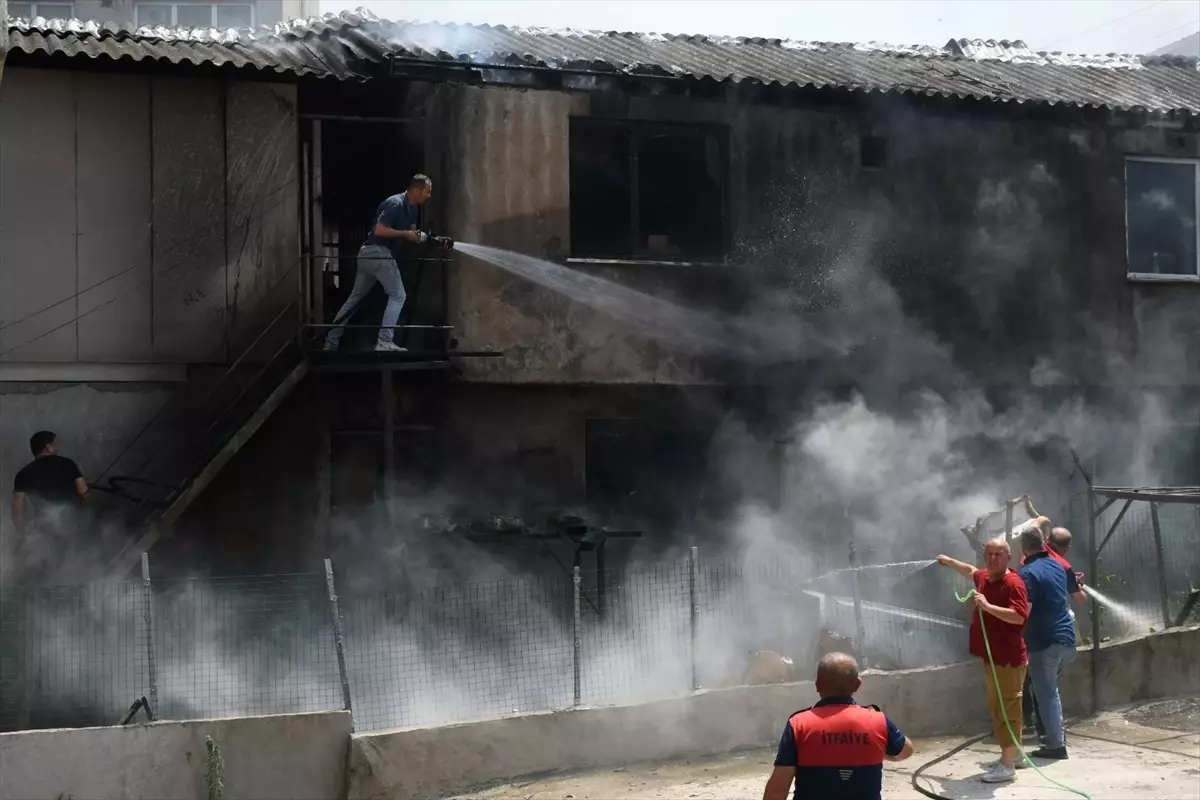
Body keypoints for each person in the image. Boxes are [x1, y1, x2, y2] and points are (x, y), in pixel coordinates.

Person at [323, 174, 453, 354]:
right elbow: (379, 229)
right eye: (427, 191)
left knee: (354, 300)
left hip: (370, 254)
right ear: (416, 190)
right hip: (377, 251)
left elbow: (413, 235)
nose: (429, 195)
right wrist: (404, 234)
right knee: (398, 295)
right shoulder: (395, 203)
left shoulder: (412, 209)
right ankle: (384, 341)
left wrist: (436, 240)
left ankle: (330, 343)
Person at [936, 538, 1029, 784]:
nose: (992, 558)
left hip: (1007, 659)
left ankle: (1007, 765)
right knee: (1000, 706)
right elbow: (971, 571)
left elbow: (1019, 617)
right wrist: (950, 562)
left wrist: (987, 606)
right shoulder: (986, 577)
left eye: (998, 554)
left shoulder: (1013, 583)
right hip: (992, 657)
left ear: (1008, 557)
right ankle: (1015, 754)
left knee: (1007, 709)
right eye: (989, 554)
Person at [762, 652, 914, 800]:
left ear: (817, 685)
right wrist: (881, 753)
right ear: (857, 685)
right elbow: (906, 750)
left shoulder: (799, 724)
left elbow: (777, 791)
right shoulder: (877, 720)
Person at [1017, 528, 1079, 761]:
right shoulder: (1056, 565)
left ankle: (1056, 745)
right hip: (1067, 642)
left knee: (1047, 694)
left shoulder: (1028, 573)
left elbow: (1025, 612)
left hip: (1045, 642)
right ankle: (1054, 737)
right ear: (1043, 544)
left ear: (1024, 548)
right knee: (1049, 692)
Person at [11, 430, 88, 533]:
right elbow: (83, 492)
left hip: (44, 527)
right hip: (72, 525)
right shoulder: (68, 464)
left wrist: (20, 531)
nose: (57, 447)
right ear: (48, 447)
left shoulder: (23, 474)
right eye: (54, 444)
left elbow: (17, 507)